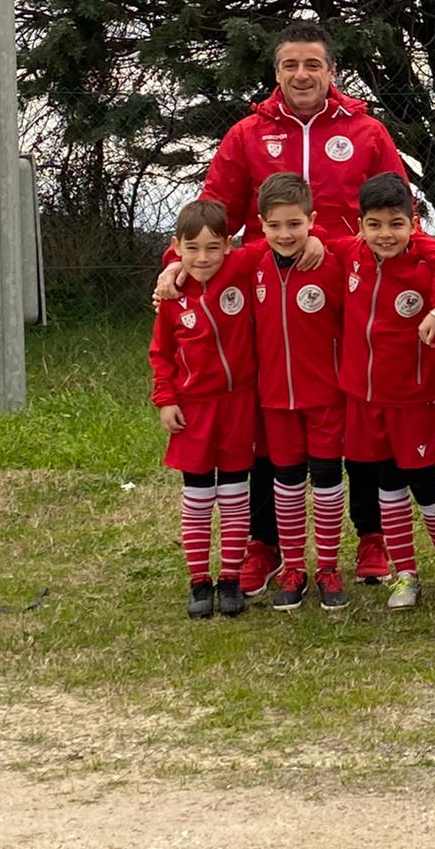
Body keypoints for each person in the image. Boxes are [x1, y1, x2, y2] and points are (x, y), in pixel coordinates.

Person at [195, 22, 410, 595]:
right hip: (275, 297)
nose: (301, 75)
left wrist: (345, 250)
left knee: (360, 406)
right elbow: (213, 211)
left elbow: (397, 208)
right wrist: (179, 261)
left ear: (331, 71)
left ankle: (371, 536)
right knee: (274, 413)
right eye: (290, 64)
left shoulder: (366, 132)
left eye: (312, 64)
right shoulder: (247, 134)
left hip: (356, 290)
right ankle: (265, 544)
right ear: (276, 72)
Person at [323, 172, 435, 610]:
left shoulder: (428, 259)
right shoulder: (350, 255)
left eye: (396, 223)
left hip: (413, 398)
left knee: (422, 482)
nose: (385, 234)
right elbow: (308, 238)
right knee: (387, 486)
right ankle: (405, 573)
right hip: (364, 399)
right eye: (375, 224)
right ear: (361, 224)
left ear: (413, 221)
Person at [247, 173, 352, 613]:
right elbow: (202, 260)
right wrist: (172, 271)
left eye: (295, 224)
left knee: (327, 481)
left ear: (312, 219)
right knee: (286, 483)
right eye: (275, 226)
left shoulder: (331, 261)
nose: (286, 234)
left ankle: (328, 566)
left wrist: (322, 240)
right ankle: (292, 566)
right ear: (260, 225)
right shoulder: (249, 262)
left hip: (325, 395)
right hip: (274, 399)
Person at [149, 200, 257, 619]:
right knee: (197, 498)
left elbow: (278, 240)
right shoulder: (174, 298)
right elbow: (161, 353)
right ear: (176, 248)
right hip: (193, 411)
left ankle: (230, 579)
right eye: (192, 249)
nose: (203, 258)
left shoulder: (241, 271)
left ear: (229, 246)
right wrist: (166, 399)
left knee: (234, 496)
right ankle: (199, 581)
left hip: (239, 406)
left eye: (213, 248)